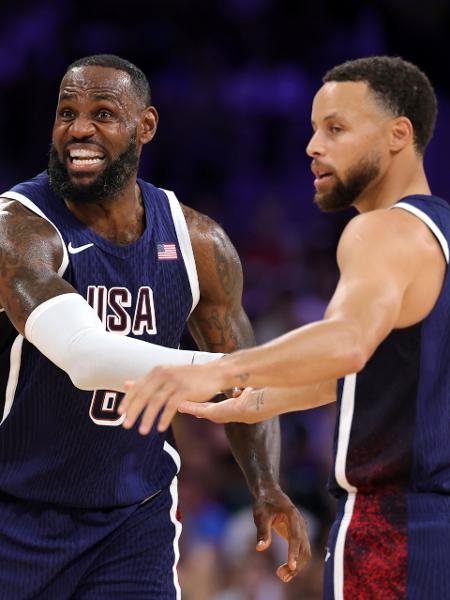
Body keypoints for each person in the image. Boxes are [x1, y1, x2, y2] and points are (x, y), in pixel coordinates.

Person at [121, 56, 450, 598]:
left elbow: (349, 345)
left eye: (337, 129)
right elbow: (385, 371)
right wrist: (258, 400)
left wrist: (222, 368)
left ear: (399, 135)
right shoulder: (436, 235)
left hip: (391, 533)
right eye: (314, 129)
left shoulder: (380, 231)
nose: (313, 146)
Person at [0, 54, 309, 599]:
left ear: (146, 126)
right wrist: (258, 367)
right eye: (66, 112)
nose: (78, 129)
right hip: (17, 511)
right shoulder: (19, 228)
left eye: (102, 113)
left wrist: (263, 483)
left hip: (133, 518)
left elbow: (244, 386)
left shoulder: (198, 242)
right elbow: (87, 356)